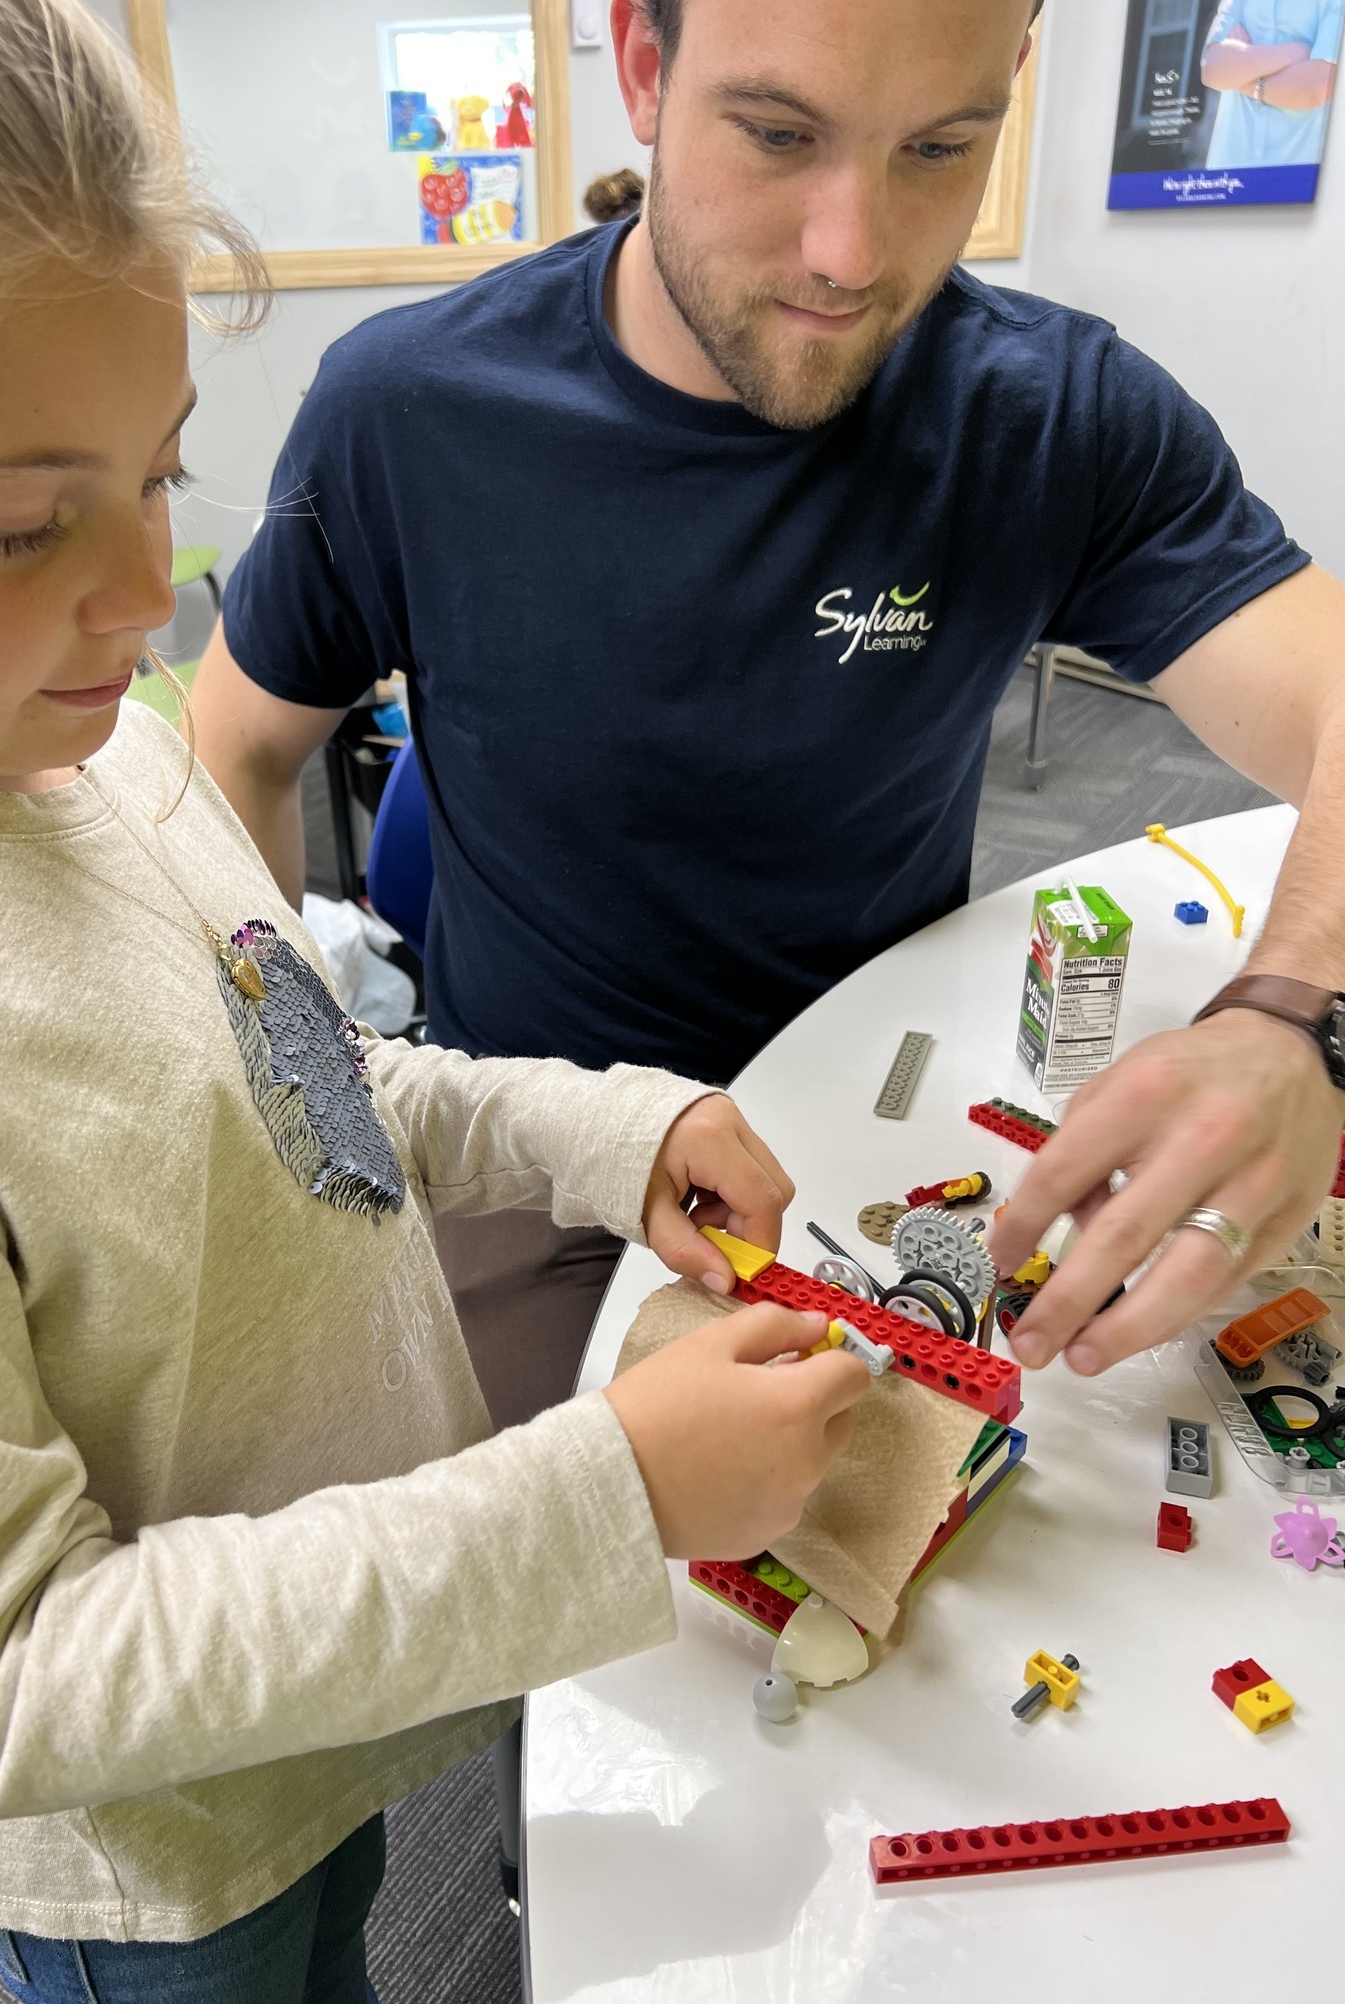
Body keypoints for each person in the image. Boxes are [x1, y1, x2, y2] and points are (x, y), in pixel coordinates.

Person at [0, 5, 875, 2004]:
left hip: (319, 1711)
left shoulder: (93, 744)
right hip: (158, 1851)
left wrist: (597, 1132)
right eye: (22, 522)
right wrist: (611, 1495)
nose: (152, 587)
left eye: (160, 471)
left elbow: (290, 1070)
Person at [196, 0, 1345, 1424]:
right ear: (643, 65)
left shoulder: (1054, 416)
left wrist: (1295, 1011)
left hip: (883, 1111)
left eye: (939, 148)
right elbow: (235, 748)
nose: (850, 255)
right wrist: (319, 1125)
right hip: (540, 1158)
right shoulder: (407, 410)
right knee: (537, 1540)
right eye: (778, 135)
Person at [1202, 1, 1341, 169]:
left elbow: (1317, 86)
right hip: (1229, 171)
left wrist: (1241, 77)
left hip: (1301, 170)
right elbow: (1211, 69)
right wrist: (1293, 53)